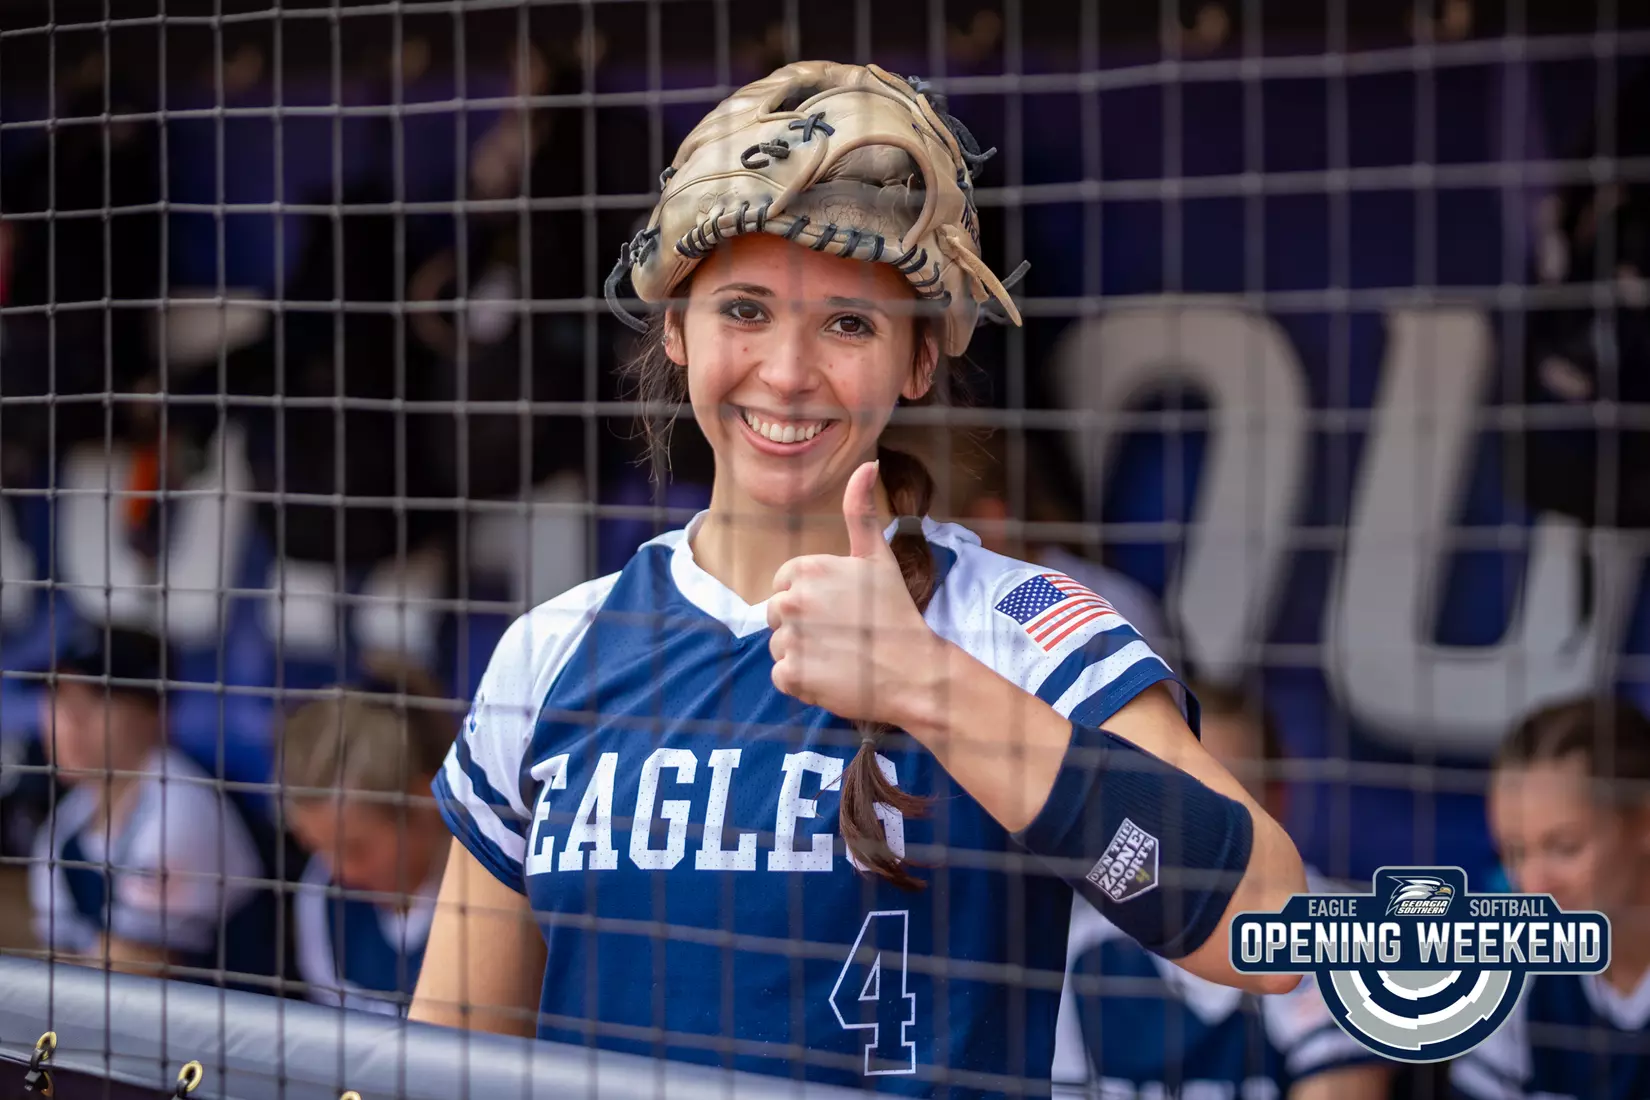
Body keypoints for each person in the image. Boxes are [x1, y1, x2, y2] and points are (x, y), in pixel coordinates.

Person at [410, 60, 1306, 1095]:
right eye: (743, 309)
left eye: (848, 323)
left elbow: (1270, 932)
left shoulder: (1016, 618)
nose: (787, 372)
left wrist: (930, 685)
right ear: (674, 326)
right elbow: (449, 1057)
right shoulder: (551, 649)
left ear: (920, 359)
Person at [1053, 679, 1393, 1099]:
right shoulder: (1083, 948)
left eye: (1222, 793)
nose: (1196, 819)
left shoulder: (1340, 931)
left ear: (1276, 797)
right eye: (1173, 789)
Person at [28, 626, 283, 990]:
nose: (68, 721)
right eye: (57, 697)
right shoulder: (65, 824)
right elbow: (55, 966)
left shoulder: (181, 807)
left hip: (218, 1039)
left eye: (94, 700)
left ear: (156, 713)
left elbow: (131, 977)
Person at [1450, 696, 1650, 1100]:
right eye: (1514, 853)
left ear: (1644, 823)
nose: (1534, 884)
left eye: (1564, 847)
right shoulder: (1509, 979)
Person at [278, 660, 457, 1016]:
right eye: (317, 848)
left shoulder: (486, 892)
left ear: (423, 801)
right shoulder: (321, 897)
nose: (338, 871)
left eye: (354, 849)